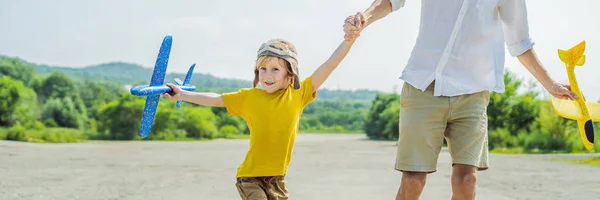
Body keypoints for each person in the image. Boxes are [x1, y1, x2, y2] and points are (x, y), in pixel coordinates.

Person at [343, 0, 577, 199]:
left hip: (473, 92)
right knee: (413, 180)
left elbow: (520, 41)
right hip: (424, 85)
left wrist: (550, 84)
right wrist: (364, 16)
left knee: (467, 180)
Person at [162, 17, 364, 200]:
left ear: (290, 73)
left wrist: (349, 40)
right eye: (263, 69)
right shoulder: (249, 97)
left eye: (275, 69)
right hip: (250, 178)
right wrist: (183, 94)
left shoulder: (298, 94)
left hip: (278, 180)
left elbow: (329, 65)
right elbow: (217, 99)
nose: (267, 75)